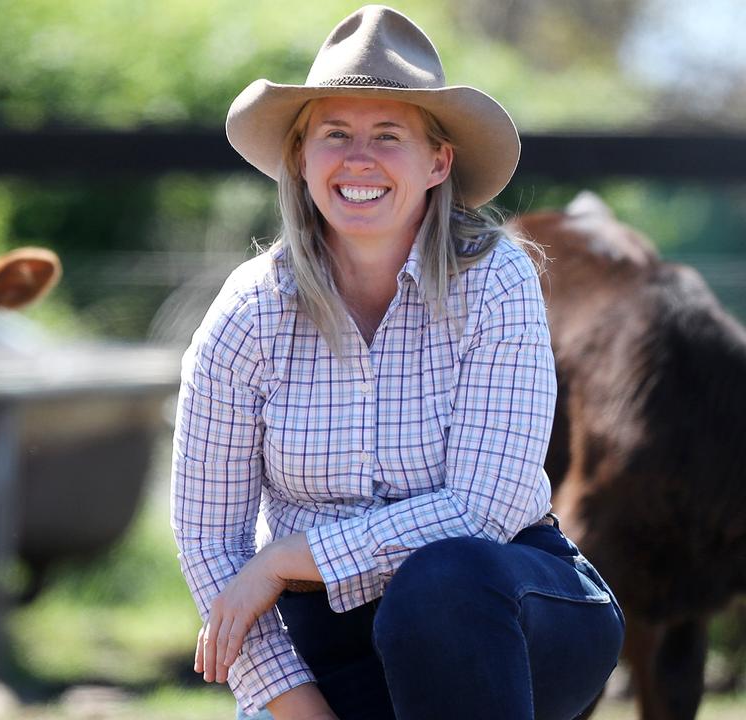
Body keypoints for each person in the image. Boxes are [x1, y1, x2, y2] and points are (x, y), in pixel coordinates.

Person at [171, 6, 625, 720]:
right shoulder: (246, 314)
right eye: (335, 135)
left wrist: (289, 559)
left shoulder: (496, 281)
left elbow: (485, 506)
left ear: (437, 161)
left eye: (389, 136)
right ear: (299, 157)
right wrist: (294, 704)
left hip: (508, 606)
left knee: (441, 581)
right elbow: (209, 540)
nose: (360, 159)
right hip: (326, 641)